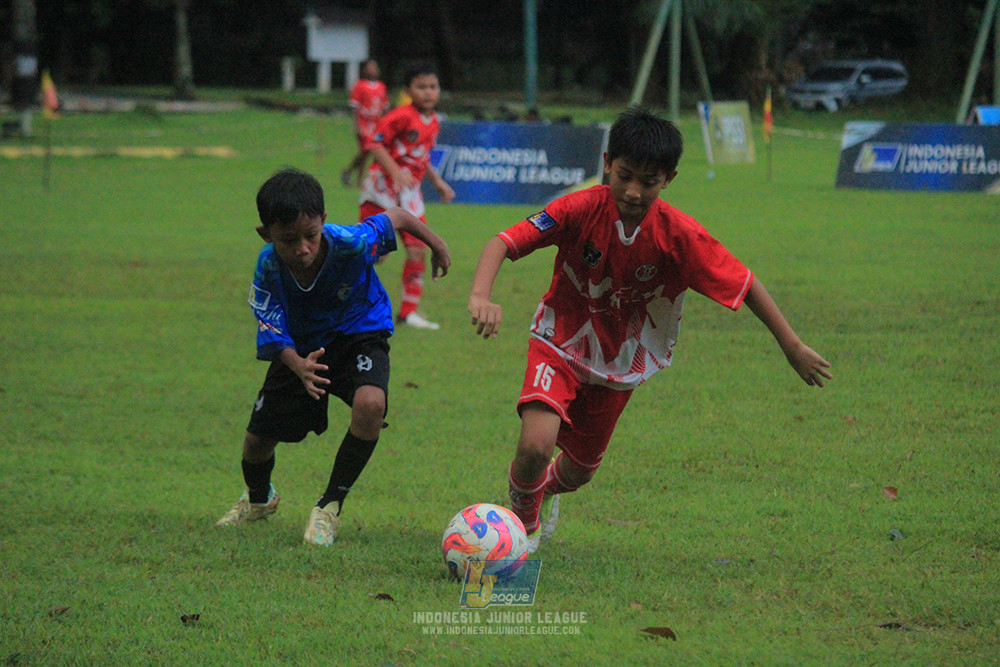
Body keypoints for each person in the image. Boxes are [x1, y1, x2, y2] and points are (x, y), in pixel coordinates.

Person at [467, 106, 832, 553]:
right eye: (624, 175)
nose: (634, 191)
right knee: (536, 446)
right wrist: (481, 296)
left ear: (669, 180)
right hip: (558, 341)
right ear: (606, 164)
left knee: (579, 471)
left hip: (622, 360)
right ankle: (520, 533)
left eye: (649, 180)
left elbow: (745, 283)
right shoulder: (578, 208)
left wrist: (792, 346)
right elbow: (503, 242)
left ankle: (540, 492)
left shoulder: (680, 236)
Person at [216, 168, 450, 546]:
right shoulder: (268, 266)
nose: (303, 248)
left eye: (311, 236)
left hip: (360, 331)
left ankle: (329, 507)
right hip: (301, 349)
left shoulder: (351, 242)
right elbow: (271, 325)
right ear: (266, 234)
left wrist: (436, 244)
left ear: (323, 222)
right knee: (256, 444)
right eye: (288, 240)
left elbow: (401, 216)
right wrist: (299, 366)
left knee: (371, 403)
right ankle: (259, 500)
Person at [359, 61, 455, 330]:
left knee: (417, 249)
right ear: (408, 91)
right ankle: (342, 299)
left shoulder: (434, 121)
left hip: (409, 194)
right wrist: (395, 172)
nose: (428, 92)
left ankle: (408, 313)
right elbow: (373, 143)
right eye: (421, 87)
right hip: (381, 191)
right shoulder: (400, 116)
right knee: (370, 253)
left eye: (432, 86)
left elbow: (421, 157)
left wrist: (437, 182)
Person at [342, 59, 390, 187]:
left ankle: (348, 172)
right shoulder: (360, 85)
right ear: (364, 70)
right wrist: (357, 125)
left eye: (375, 68)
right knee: (365, 151)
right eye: (370, 68)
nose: (373, 70)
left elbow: (385, 107)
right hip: (364, 124)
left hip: (377, 125)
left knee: (373, 152)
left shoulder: (381, 87)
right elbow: (355, 106)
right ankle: (359, 180)